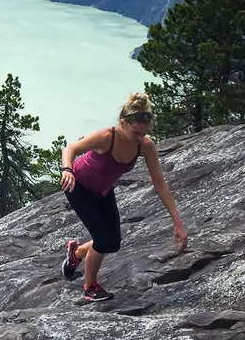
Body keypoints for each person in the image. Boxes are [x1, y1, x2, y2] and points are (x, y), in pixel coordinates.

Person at [59, 92, 188, 301]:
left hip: (103, 191)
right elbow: (70, 148)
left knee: (113, 243)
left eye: (144, 133)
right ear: (123, 123)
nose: (140, 137)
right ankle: (90, 287)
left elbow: (160, 183)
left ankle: (76, 253)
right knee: (102, 240)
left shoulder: (145, 145)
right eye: (136, 132)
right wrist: (67, 170)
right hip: (78, 187)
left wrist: (177, 222)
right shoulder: (106, 137)